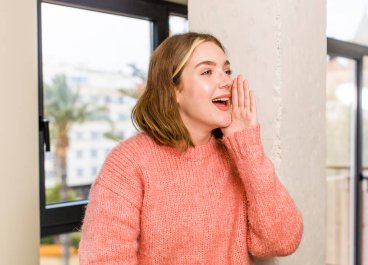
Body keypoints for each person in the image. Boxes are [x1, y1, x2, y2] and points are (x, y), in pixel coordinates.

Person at [79, 32, 303, 264]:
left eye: (226, 71)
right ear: (174, 90)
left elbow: (282, 241)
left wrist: (247, 147)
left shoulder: (239, 155)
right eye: (207, 72)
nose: (226, 81)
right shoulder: (128, 163)